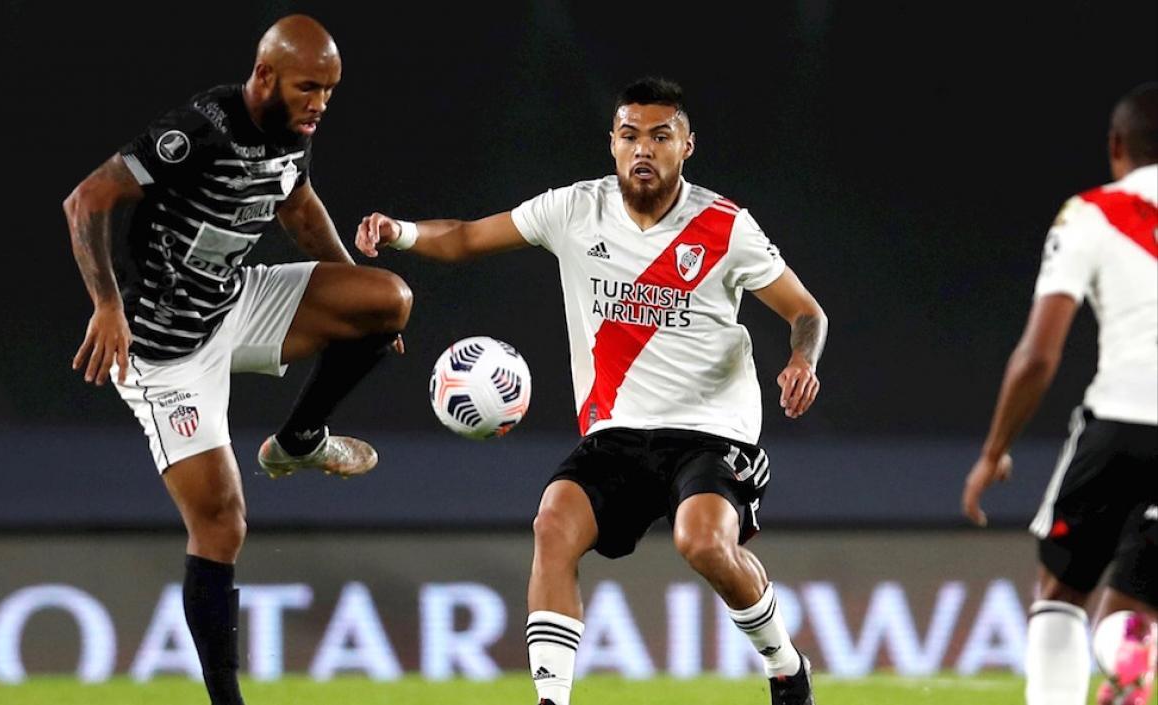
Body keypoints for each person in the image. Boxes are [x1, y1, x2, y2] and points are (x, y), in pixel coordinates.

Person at [358, 77, 825, 705]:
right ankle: (552, 700)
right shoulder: (575, 209)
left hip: (711, 429)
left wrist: (801, 359)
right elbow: (467, 237)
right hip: (615, 433)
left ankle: (785, 667)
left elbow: (806, 311)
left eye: (660, 136)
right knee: (552, 523)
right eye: (630, 135)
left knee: (702, 542)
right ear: (612, 143)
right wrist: (401, 233)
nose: (643, 149)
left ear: (686, 146)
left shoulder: (724, 226)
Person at [62, 15, 411, 704]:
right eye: (309, 87)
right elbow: (87, 199)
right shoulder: (202, 128)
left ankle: (300, 440)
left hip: (233, 302)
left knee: (388, 298)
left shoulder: (293, 132)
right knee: (222, 522)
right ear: (265, 76)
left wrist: (355, 292)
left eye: (330, 90)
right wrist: (106, 304)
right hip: (164, 352)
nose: (320, 104)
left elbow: (299, 211)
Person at [961, 82, 1158, 705]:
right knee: (1137, 601)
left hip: (1123, 423)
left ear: (1117, 145)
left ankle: (1116, 660)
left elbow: (1038, 356)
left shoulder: (1091, 214)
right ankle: (1128, 653)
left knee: (1059, 596)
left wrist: (994, 450)